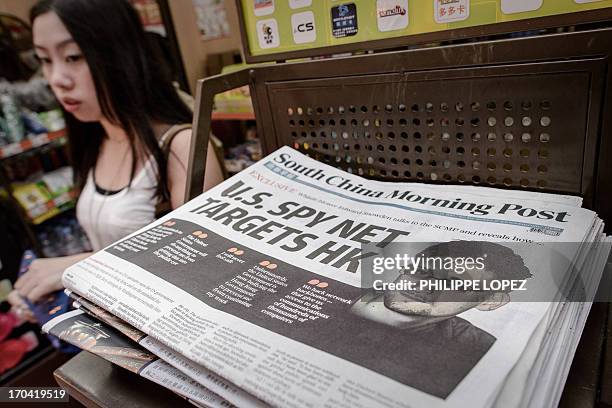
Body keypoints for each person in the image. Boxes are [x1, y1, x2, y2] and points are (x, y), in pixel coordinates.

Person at [9, 0, 224, 315]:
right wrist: (46, 291)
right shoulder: (96, 140)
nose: (57, 78)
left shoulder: (180, 145)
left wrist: (78, 266)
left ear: (118, 54)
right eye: (44, 60)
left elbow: (204, 266)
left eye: (73, 57)